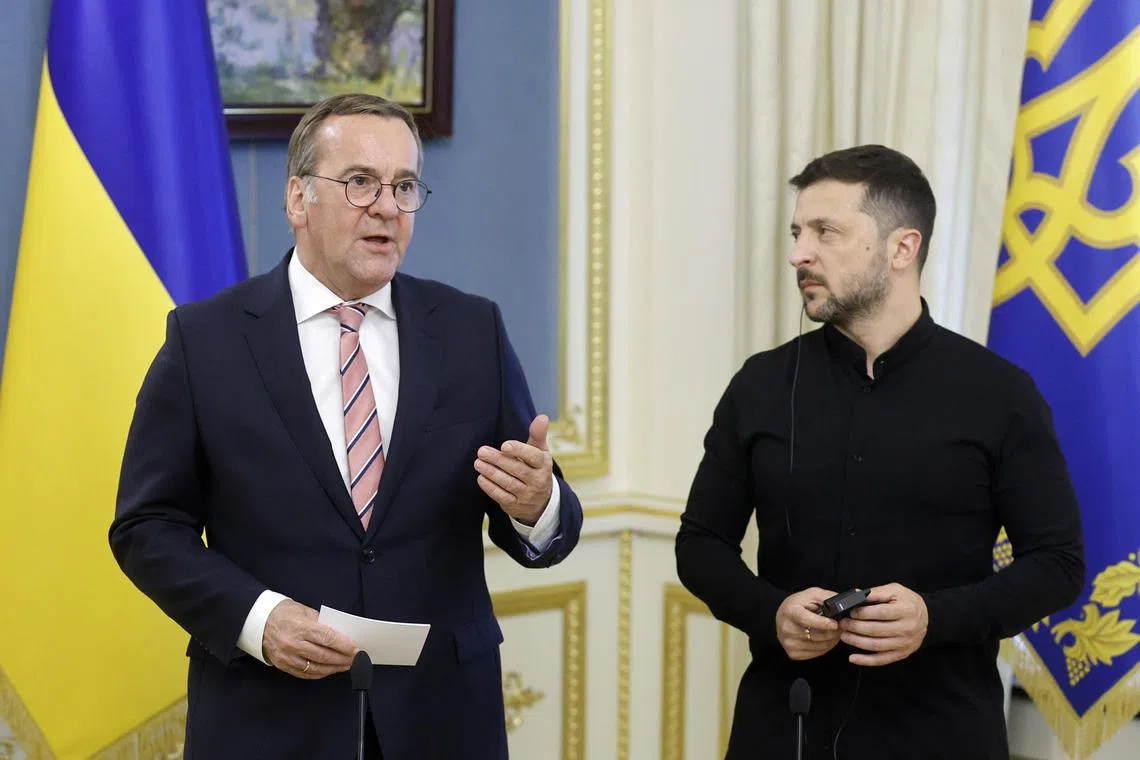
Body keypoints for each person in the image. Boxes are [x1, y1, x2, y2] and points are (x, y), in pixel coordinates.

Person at [110, 93, 583, 759]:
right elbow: (147, 527)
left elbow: (533, 515)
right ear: (299, 200)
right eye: (361, 182)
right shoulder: (204, 341)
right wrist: (260, 618)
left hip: (441, 717)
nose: (387, 206)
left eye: (405, 186)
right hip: (268, 717)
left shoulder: (472, 330)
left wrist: (540, 506)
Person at [675, 144, 1084, 759]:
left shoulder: (1001, 394)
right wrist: (772, 611)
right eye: (796, 232)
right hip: (782, 730)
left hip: (943, 732)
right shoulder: (759, 385)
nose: (798, 254)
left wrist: (933, 618)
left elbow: (1056, 563)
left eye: (825, 232)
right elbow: (700, 544)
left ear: (902, 248)